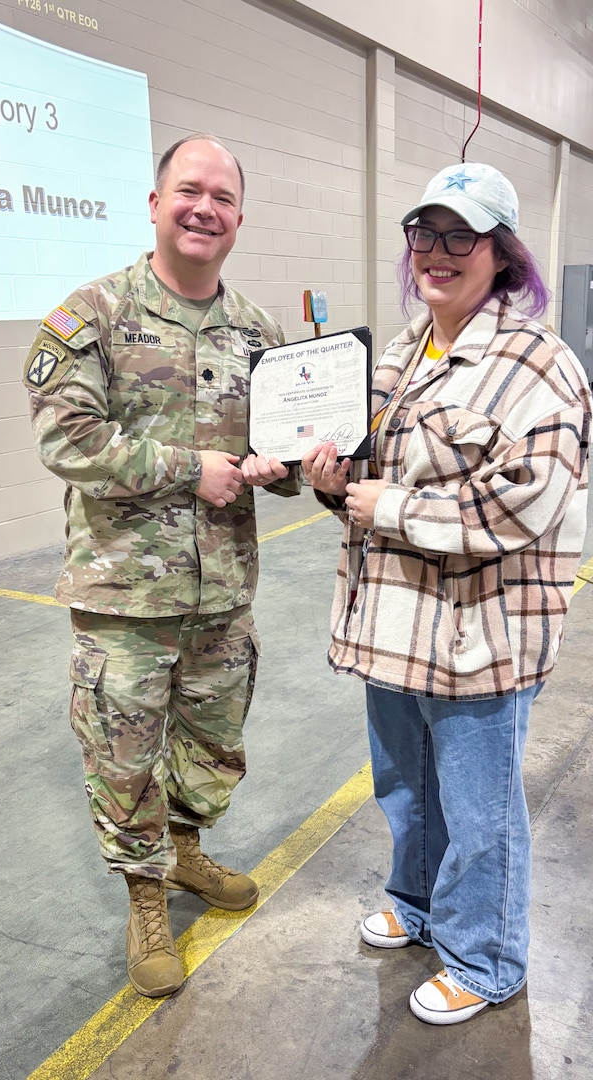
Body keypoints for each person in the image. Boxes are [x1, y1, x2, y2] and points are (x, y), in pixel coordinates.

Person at [303, 162, 591, 1025]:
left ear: (501, 254)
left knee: (480, 809)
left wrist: (385, 503)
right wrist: (331, 479)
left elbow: (521, 506)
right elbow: (368, 475)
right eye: (422, 233)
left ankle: (487, 956)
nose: (435, 252)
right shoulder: (401, 349)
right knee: (405, 789)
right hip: (393, 621)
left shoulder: (541, 366)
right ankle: (420, 904)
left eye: (459, 235)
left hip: (482, 631)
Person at [23, 134, 301, 998]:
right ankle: (144, 897)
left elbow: (286, 449)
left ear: (238, 219)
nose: (203, 208)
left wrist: (293, 468)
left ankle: (185, 854)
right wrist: (192, 467)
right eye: (189, 191)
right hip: (124, 599)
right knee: (124, 754)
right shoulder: (93, 316)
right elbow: (66, 440)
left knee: (214, 748)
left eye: (221, 197)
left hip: (224, 593)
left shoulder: (261, 333)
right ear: (155, 203)